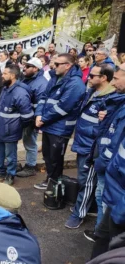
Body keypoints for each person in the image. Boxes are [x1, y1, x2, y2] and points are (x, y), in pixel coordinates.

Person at [65, 64, 119, 229]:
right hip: (82, 143)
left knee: (87, 181)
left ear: (103, 78)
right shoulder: (91, 92)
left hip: (91, 147)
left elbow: (105, 129)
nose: (88, 78)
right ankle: (87, 207)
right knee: (84, 179)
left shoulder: (109, 100)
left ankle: (79, 213)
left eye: (92, 76)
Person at [84, 63, 125, 241]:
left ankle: (102, 237)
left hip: (111, 169)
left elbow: (116, 141)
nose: (113, 83)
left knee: (106, 201)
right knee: (102, 197)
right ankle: (100, 234)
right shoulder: (117, 101)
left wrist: (102, 161)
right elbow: (106, 131)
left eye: (116, 78)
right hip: (107, 164)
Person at [34, 54, 86, 190]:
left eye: (57, 64)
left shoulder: (75, 83)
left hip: (61, 127)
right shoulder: (55, 77)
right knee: (47, 155)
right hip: (48, 124)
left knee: (55, 157)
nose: (53, 66)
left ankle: (54, 183)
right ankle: (51, 180)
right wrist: (39, 114)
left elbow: (64, 107)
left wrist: (43, 118)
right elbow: (44, 97)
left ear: (67, 65)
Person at [0, 65, 33, 185]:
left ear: (12, 76)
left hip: (11, 130)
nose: (2, 75)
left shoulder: (20, 93)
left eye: (5, 73)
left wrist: (16, 126)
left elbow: (27, 116)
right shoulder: (6, 88)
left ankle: (10, 175)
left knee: (11, 155)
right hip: (0, 128)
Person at [17, 58, 48, 177]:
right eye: (24, 65)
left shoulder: (41, 83)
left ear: (35, 68)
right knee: (26, 140)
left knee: (30, 142)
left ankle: (31, 166)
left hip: (31, 118)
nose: (24, 68)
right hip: (24, 116)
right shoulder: (28, 79)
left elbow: (40, 104)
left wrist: (34, 120)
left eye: (28, 66)